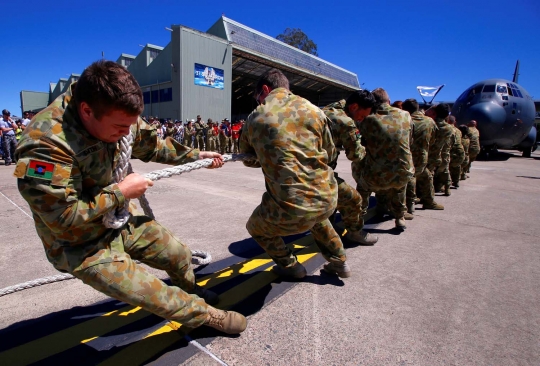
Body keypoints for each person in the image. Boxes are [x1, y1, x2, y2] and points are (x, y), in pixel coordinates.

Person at [14, 60, 246, 335]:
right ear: (87, 111)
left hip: (117, 219)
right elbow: (62, 218)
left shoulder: (116, 110)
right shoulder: (44, 145)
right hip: (80, 244)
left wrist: (196, 156)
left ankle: (189, 291)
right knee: (151, 292)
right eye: (120, 127)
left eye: (130, 125)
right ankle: (204, 315)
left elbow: (150, 144)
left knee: (178, 254)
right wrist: (120, 192)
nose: (127, 133)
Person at [239, 68, 350, 279]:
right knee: (316, 215)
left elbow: (247, 158)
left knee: (255, 226)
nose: (258, 101)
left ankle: (290, 266)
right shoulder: (315, 111)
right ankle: (340, 261)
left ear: (265, 89)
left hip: (293, 209)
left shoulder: (258, 115)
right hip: (327, 200)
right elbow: (330, 153)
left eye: (258, 97)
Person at [352, 88, 414, 230]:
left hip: (375, 177)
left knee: (362, 183)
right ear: (389, 101)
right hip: (402, 174)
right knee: (400, 184)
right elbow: (409, 142)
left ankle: (358, 218)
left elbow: (360, 144)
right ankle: (400, 217)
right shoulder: (405, 115)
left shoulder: (366, 118)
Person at [322, 91, 378, 245]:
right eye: (362, 115)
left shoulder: (327, 110)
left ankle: (331, 227)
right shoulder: (346, 122)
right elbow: (355, 155)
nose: (362, 119)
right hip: (318, 173)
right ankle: (355, 233)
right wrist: (364, 148)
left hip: (309, 168)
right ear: (354, 106)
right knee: (353, 199)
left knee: (333, 197)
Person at [401, 98, 439, 215]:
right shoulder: (430, 121)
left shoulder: (404, 120)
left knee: (409, 179)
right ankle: (428, 201)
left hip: (406, 155)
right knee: (426, 176)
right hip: (422, 157)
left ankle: (409, 204)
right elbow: (433, 140)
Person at [420, 103, 453, 205]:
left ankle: (422, 198)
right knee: (429, 176)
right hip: (435, 156)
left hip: (423, 153)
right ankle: (427, 198)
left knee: (421, 176)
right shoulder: (449, 128)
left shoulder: (428, 123)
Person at [447, 116, 465, 188]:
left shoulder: (447, 128)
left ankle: (445, 185)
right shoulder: (458, 131)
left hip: (451, 150)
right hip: (460, 151)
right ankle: (456, 182)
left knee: (446, 167)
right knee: (457, 166)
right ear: (454, 122)